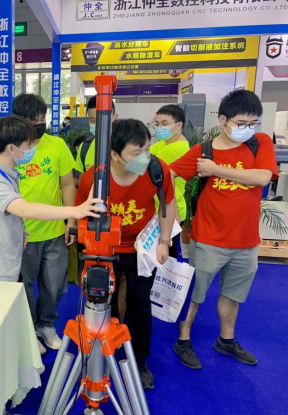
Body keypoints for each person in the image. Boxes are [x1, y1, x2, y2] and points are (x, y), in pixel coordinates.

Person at [0, 114, 105, 354]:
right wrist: (75, 210)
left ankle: (31, 338)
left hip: (9, 256)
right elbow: (25, 209)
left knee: (41, 291)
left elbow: (12, 213)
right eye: (27, 145)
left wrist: (21, 230)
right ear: (12, 148)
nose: (31, 149)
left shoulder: (7, 171)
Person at [170, 90, 278, 370]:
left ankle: (226, 340)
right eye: (241, 123)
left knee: (233, 294)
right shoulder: (203, 151)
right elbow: (167, 174)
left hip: (246, 241)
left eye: (253, 123)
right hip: (208, 238)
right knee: (195, 293)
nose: (248, 129)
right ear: (223, 120)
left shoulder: (260, 143)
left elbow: (262, 177)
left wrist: (216, 170)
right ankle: (183, 339)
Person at [76, 118, 176, 389]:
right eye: (136, 152)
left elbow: (167, 203)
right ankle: (99, 354)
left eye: (147, 149)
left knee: (140, 301)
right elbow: (81, 215)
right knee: (101, 300)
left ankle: (138, 360)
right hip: (104, 247)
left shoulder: (157, 170)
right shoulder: (93, 178)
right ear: (114, 154)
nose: (145, 157)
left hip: (142, 247)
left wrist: (164, 241)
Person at [11, 93, 77, 352]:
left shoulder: (57, 145)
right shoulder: (9, 149)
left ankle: (45, 324)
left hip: (54, 230)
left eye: (42, 119)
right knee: (23, 286)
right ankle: (28, 330)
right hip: (22, 233)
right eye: (32, 121)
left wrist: (71, 219)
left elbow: (67, 184)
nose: (38, 124)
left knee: (54, 285)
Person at [150, 104, 190, 258]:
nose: (160, 128)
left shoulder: (178, 149)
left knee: (164, 258)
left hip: (169, 212)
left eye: (165, 124)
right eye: (158, 124)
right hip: (159, 209)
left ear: (179, 125)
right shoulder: (165, 143)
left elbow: (142, 164)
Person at [75, 96, 118, 173]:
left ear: (114, 118)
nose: (98, 125)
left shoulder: (126, 148)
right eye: (93, 120)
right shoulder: (84, 148)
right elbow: (83, 179)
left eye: (103, 120)